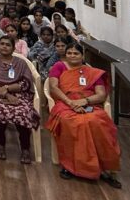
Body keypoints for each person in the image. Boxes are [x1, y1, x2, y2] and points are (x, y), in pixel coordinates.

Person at [47, 43, 121, 187]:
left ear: (82, 56)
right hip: (65, 104)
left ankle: (104, 168)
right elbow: (53, 88)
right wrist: (70, 103)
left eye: (76, 53)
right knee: (73, 122)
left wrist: (84, 101)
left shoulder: (93, 72)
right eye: (69, 53)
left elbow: (101, 94)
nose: (72, 56)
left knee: (97, 122)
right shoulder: (59, 66)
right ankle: (70, 166)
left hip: (90, 104)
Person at [0, 36, 41, 163]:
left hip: (20, 95)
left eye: (8, 45)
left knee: (24, 112)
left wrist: (8, 88)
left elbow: (26, 82)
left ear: (13, 48)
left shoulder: (21, 63)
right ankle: (1, 145)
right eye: (2, 44)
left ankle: (25, 149)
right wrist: (7, 95)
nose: (4, 47)